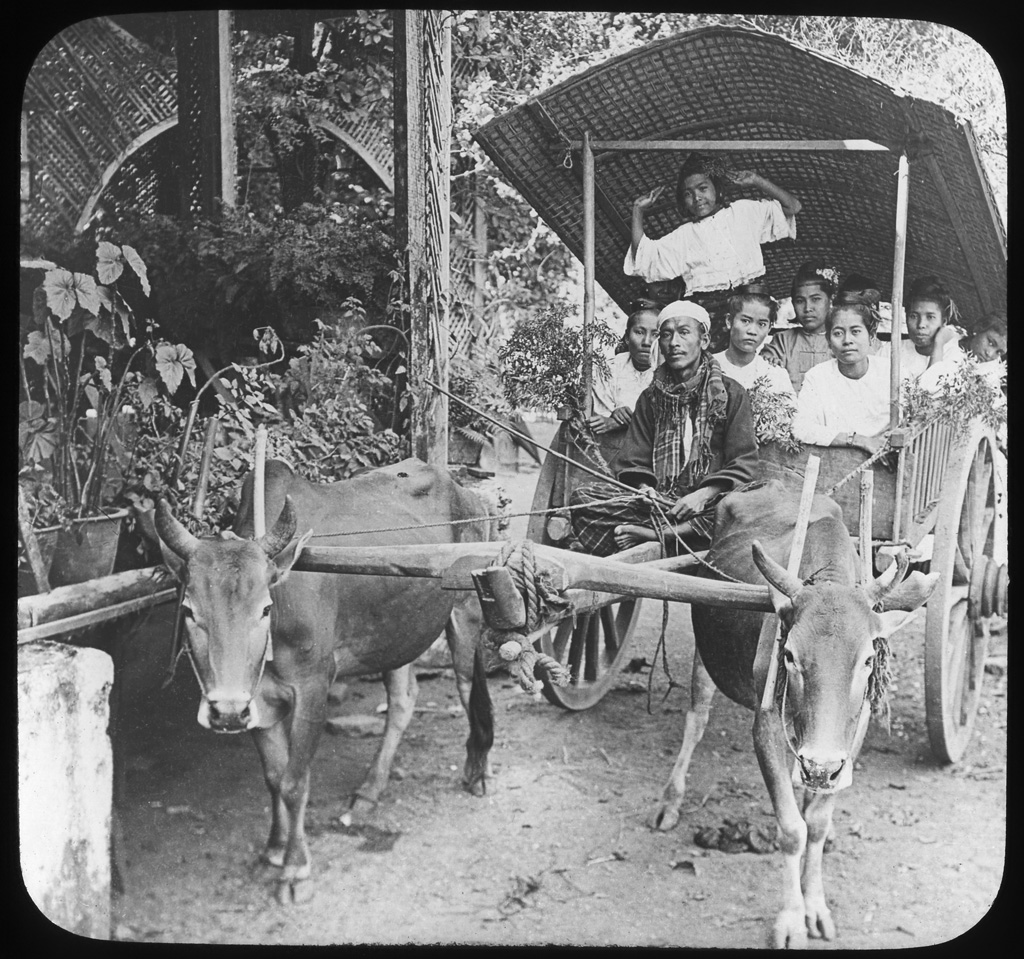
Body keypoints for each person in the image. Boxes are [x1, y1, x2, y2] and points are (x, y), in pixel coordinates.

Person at [570, 300, 759, 556]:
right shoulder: (650, 398)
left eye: (684, 332)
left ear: (704, 340)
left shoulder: (731, 394)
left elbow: (743, 461)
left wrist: (702, 495)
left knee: (743, 505)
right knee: (583, 499)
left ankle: (655, 536)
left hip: (708, 503)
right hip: (662, 502)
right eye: (667, 334)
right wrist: (644, 490)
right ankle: (678, 535)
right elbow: (633, 460)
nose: (674, 342)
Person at [624, 153, 801, 351]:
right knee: (714, 365)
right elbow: (644, 258)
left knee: (751, 361)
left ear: (717, 188)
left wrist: (757, 180)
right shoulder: (683, 236)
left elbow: (792, 206)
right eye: (688, 194)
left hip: (752, 306)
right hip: (711, 316)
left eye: (703, 188)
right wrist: (637, 210)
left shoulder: (744, 211)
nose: (697, 198)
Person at [791, 294, 891, 455]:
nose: (847, 340)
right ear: (829, 341)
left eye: (855, 331)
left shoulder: (891, 373)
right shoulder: (817, 377)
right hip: (834, 460)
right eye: (838, 333)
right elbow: (801, 428)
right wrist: (858, 440)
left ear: (871, 336)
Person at [588, 305, 660, 461]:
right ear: (627, 337)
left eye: (656, 335)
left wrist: (623, 422)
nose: (647, 342)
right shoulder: (609, 368)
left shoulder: (671, 372)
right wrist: (612, 417)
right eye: (639, 332)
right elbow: (601, 418)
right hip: (609, 453)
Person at [762, 261, 838, 392]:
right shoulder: (783, 341)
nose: (807, 308)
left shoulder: (840, 340)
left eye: (815, 299)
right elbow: (763, 367)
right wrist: (769, 364)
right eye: (800, 301)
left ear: (831, 300)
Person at [711, 282, 794, 396]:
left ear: (769, 328)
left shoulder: (775, 373)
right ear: (729, 321)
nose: (752, 331)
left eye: (762, 324)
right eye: (745, 321)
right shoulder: (709, 366)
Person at [900, 275, 967, 392]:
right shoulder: (891, 350)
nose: (921, 324)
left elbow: (927, 394)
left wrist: (938, 345)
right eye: (913, 316)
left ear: (944, 322)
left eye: (930, 317)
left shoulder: (955, 358)